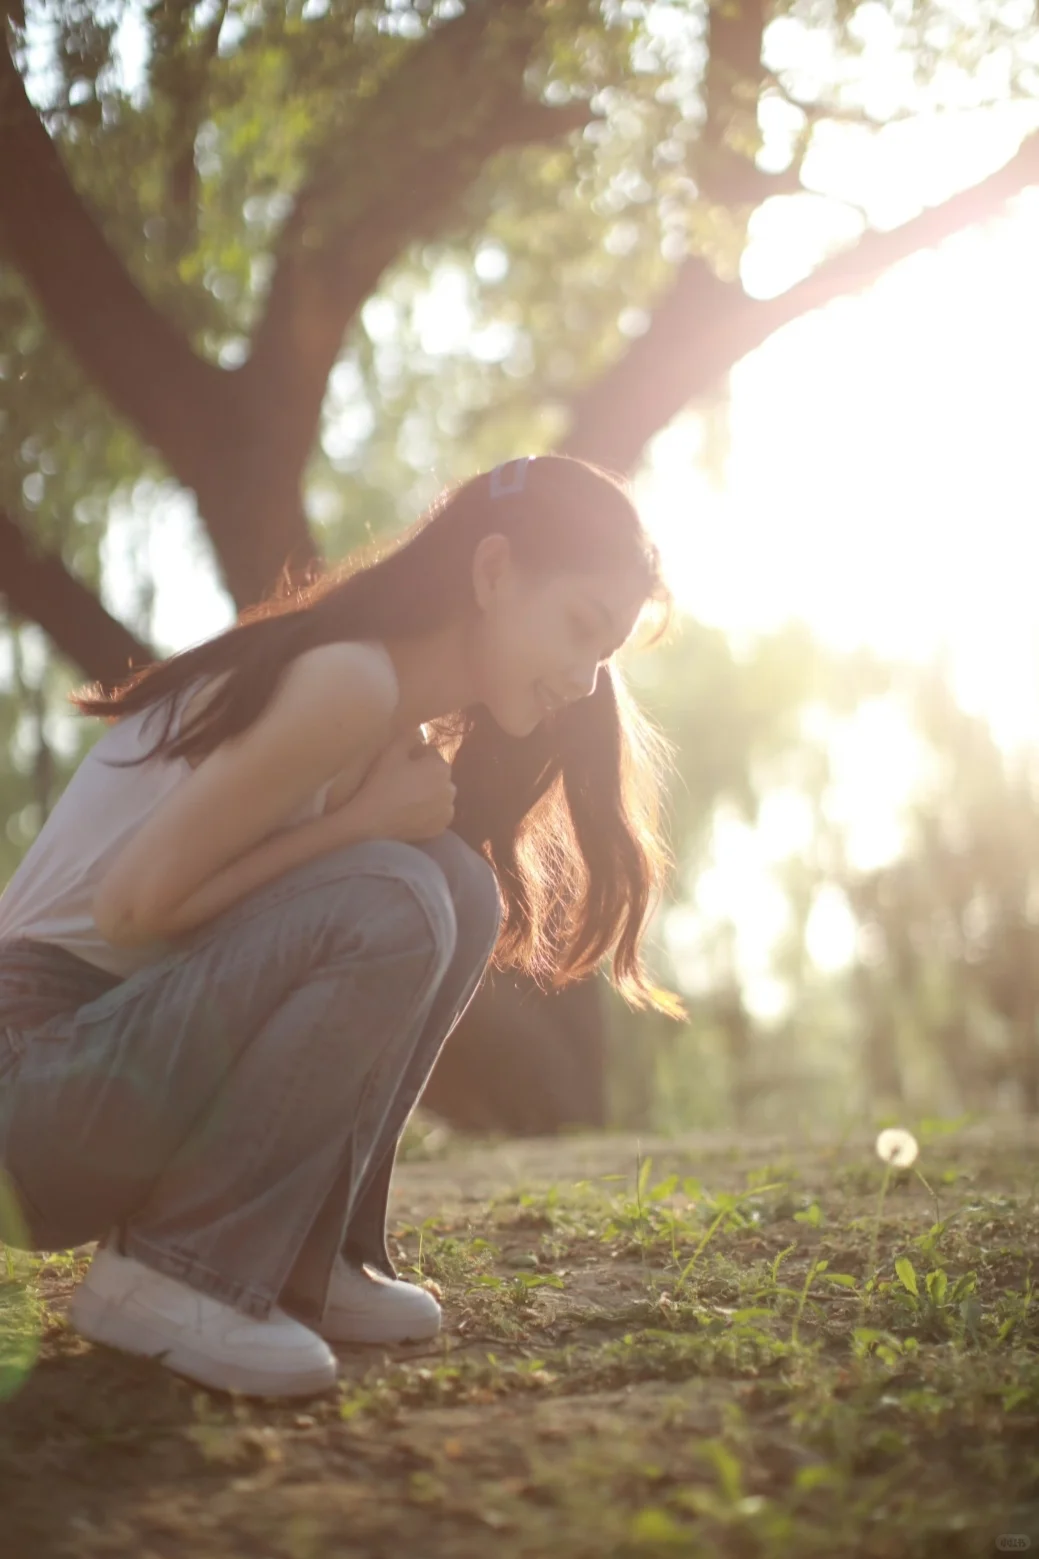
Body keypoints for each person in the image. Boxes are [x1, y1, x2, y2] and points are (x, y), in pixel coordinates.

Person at [0, 453, 682, 1399]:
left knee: (454, 885)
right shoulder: (348, 682)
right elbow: (130, 906)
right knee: (398, 891)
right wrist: (355, 830)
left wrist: (361, 834)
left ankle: (305, 1259)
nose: (583, 678)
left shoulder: (386, 718)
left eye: (602, 654)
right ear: (493, 574)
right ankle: (174, 1270)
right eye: (578, 629)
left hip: (103, 1066)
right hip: (32, 1082)